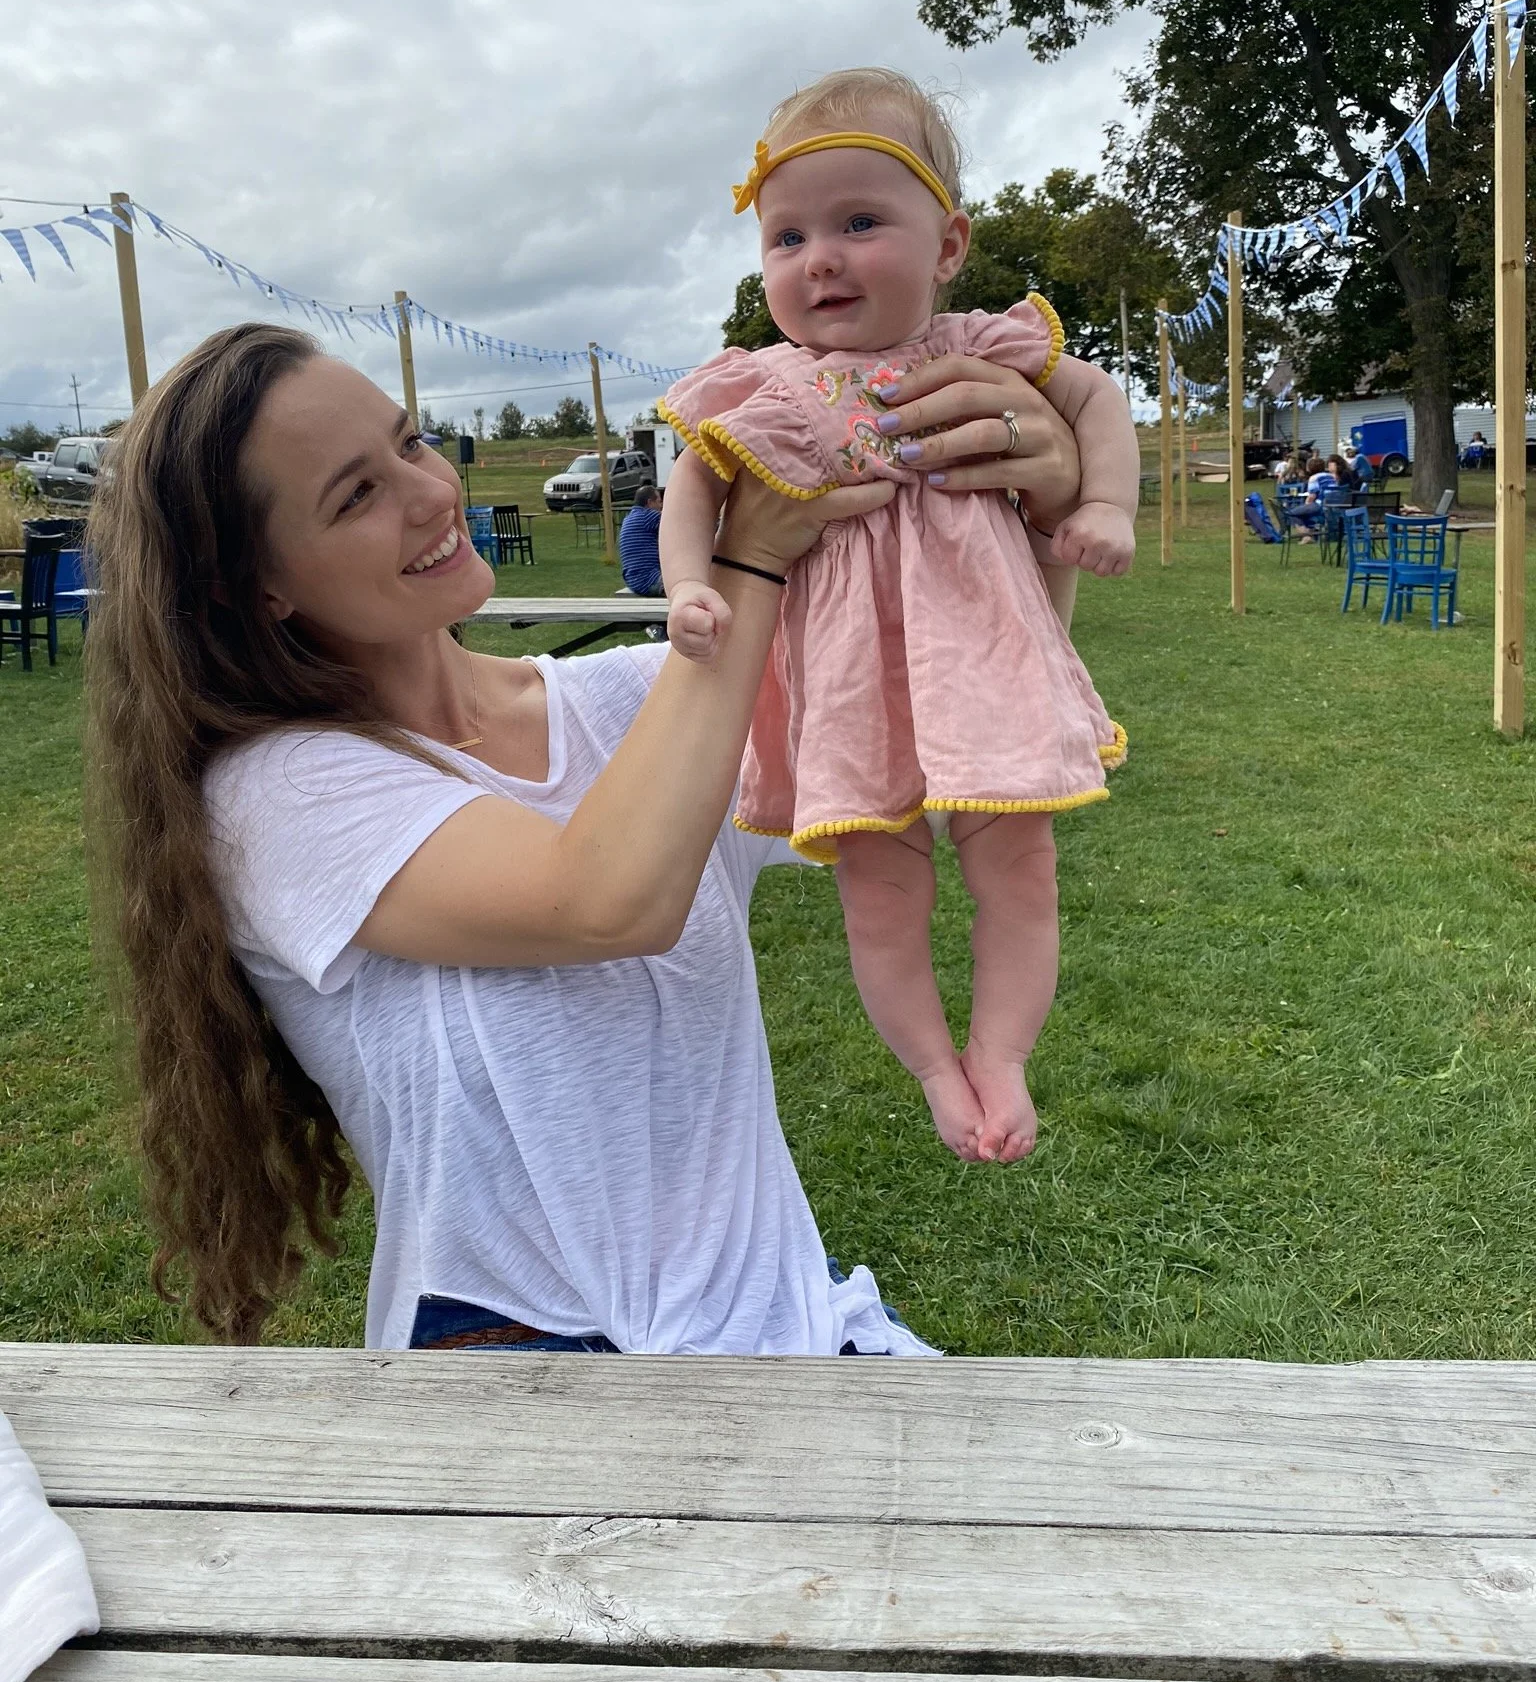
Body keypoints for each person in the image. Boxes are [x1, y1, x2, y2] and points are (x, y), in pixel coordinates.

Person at [83, 318, 1085, 1354]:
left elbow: (951, 750)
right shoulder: (272, 798)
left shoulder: (638, 696)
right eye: (356, 494)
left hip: (792, 1327)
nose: (430, 494)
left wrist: (1032, 524)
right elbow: (610, 896)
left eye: (411, 442)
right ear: (258, 587)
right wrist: (749, 553)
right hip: (526, 1375)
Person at [657, 68, 1135, 1170]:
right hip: (852, 685)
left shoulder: (976, 350)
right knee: (880, 889)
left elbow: (1098, 399)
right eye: (786, 237)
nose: (818, 257)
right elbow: (691, 484)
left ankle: (1003, 1052)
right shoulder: (765, 384)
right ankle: (931, 1066)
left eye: (860, 221)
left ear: (949, 243)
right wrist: (689, 582)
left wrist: (1100, 500)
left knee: (1022, 866)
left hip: (985, 664)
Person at [617, 481, 664, 597]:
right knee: (690, 585)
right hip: (649, 579)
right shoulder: (648, 516)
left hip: (633, 579)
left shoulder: (629, 518)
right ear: (649, 503)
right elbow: (680, 522)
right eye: (659, 501)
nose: (661, 505)